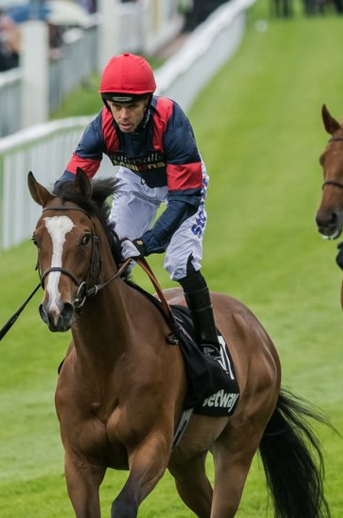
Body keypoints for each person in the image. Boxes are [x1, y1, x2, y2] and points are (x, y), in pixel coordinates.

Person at [57, 53, 221, 361]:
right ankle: (106, 342)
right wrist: (55, 206)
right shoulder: (101, 125)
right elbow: (71, 181)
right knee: (113, 254)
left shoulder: (171, 119)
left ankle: (211, 344)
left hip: (182, 187)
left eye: (131, 106)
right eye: (116, 106)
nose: (123, 116)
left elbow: (185, 198)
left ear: (148, 101)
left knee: (180, 262)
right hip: (135, 183)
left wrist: (147, 243)